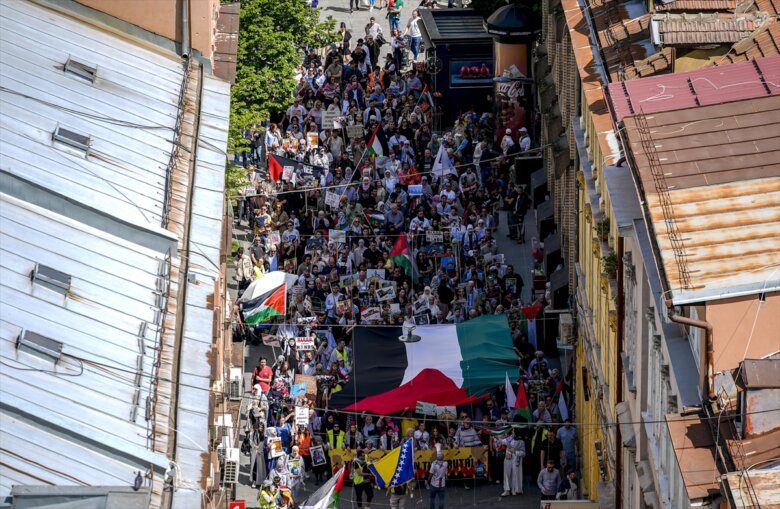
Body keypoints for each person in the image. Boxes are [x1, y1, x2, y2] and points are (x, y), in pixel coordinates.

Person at [500, 427, 525, 496]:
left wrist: (515, 452)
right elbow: (502, 441)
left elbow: (523, 453)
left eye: (514, 431)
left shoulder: (521, 441)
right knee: (507, 474)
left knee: (514, 475)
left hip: (515, 460)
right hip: (508, 458)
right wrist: (496, 436)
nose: (512, 432)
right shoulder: (510, 438)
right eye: (512, 431)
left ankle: (514, 489)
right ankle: (507, 490)